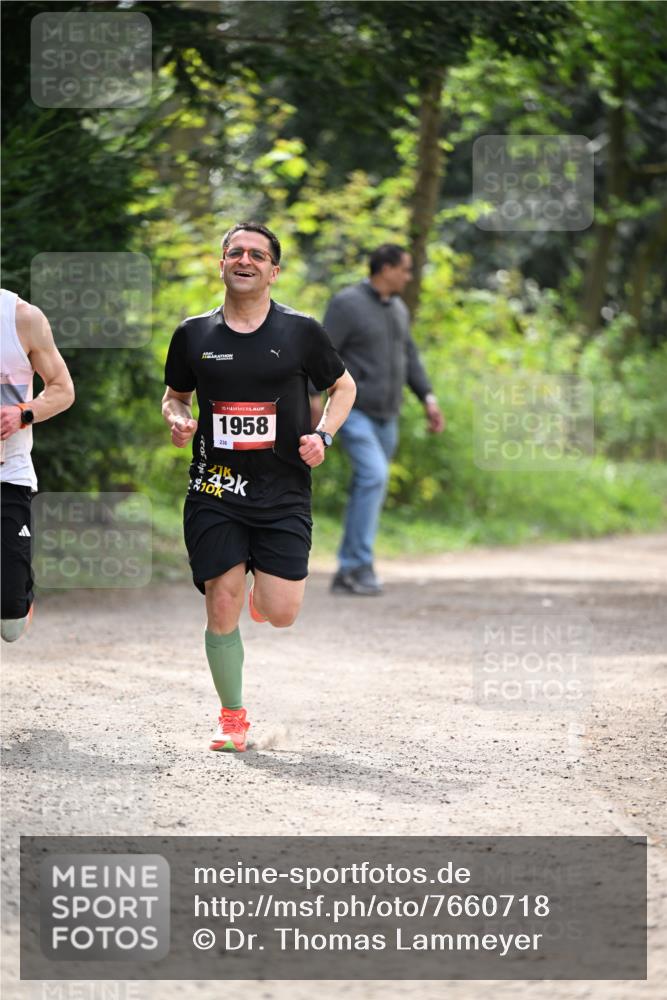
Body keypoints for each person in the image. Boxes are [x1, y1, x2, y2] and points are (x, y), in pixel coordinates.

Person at [162, 222, 356, 753]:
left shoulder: (300, 332)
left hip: (282, 493)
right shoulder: (193, 334)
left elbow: (343, 386)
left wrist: (324, 434)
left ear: (274, 270)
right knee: (220, 599)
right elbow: (175, 395)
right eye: (235, 252)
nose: (244, 260)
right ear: (221, 263)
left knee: (283, 613)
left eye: (257, 254)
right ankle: (232, 718)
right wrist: (178, 418)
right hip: (215, 487)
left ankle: (263, 592)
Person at [313, 243, 444, 596]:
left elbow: (410, 356)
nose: (409, 275)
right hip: (354, 412)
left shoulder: (398, 308)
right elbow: (322, 353)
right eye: (405, 268)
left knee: (370, 484)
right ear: (385, 269)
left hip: (389, 416)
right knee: (374, 476)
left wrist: (427, 398)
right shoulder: (347, 304)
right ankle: (356, 564)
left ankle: (349, 570)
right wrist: (312, 399)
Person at [1, 289, 75, 641]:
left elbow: (62, 389)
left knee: (10, 619)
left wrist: (22, 413)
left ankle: (19, 605)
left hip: (7, 474)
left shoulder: (23, 318)